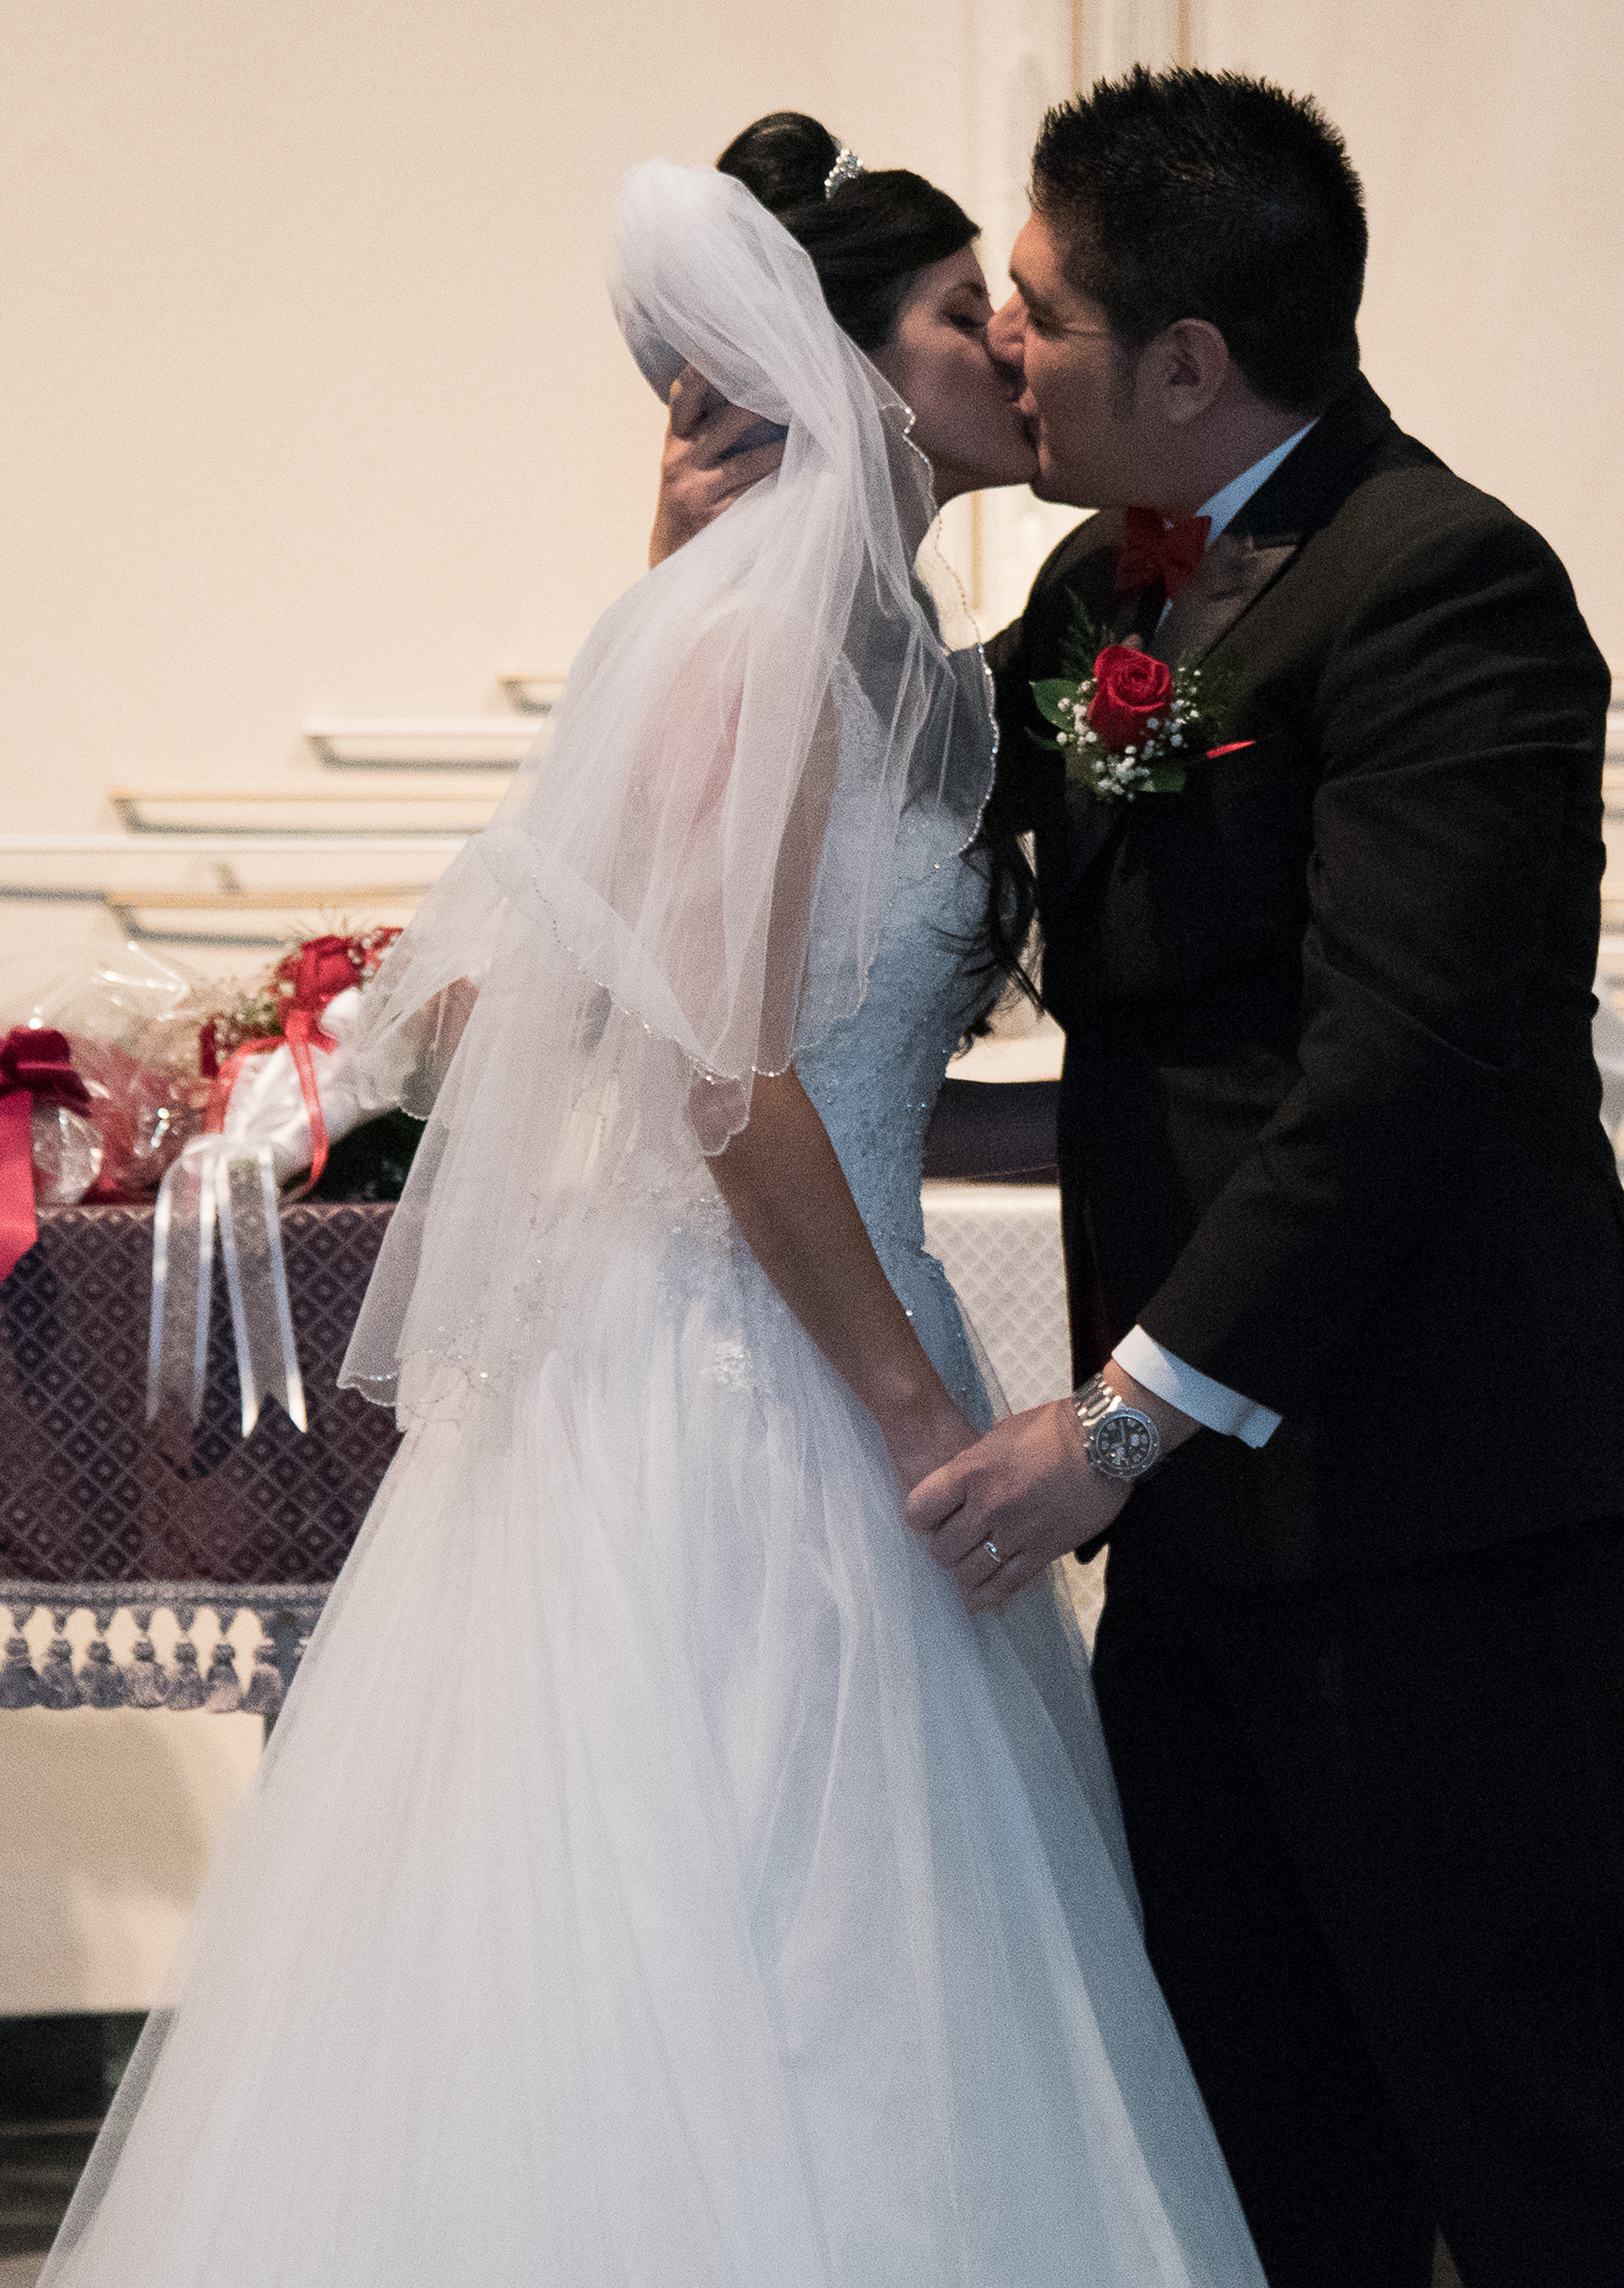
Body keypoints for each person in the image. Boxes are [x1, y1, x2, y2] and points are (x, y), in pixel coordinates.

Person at [46, 122, 1263, 2287]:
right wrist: (912, 1412)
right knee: (735, 1954)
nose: (1007, 337)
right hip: (741, 1384)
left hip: (840, 1318)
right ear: (842, 359)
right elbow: (720, 1070)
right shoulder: (764, 641)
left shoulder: (912, 648)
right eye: (959, 305)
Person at [666, 67, 1624, 2288]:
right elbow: (833, 781)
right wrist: (711, 555)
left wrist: (1115, 1424)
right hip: (1194, 1514)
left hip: (1438, 1489)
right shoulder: (1095, 589)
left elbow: (1394, 1079)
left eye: (1037, 310)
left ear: (1186, 362)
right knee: (1253, 2132)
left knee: (1533, 2110)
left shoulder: (1442, 584)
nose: (1006, 343)